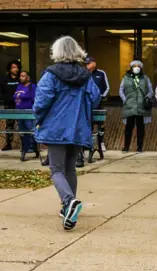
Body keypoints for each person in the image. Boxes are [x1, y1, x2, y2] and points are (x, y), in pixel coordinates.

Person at [33, 36, 101, 231]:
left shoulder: (51, 74)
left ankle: (69, 201)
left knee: (56, 169)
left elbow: (41, 102)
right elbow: (95, 98)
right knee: (70, 169)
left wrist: (38, 119)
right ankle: (68, 209)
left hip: (56, 128)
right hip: (78, 127)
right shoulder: (85, 75)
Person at [119, 60, 152, 153]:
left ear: (141, 68)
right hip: (129, 106)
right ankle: (126, 147)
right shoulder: (125, 78)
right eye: (134, 66)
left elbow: (150, 91)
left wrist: (147, 98)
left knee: (140, 128)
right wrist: (124, 99)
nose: (136, 68)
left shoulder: (145, 78)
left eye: (138, 66)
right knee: (128, 128)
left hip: (141, 106)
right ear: (131, 67)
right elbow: (121, 90)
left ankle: (140, 147)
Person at [13, 71, 39, 161]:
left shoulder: (32, 87)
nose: (21, 78)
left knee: (30, 130)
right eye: (20, 76)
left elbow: (34, 98)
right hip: (19, 112)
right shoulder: (19, 86)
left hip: (29, 112)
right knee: (22, 131)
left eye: (23, 76)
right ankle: (24, 147)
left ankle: (33, 148)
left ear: (28, 77)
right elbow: (15, 96)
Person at [1, 60, 22, 151]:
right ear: (10, 69)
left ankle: (25, 144)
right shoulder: (5, 79)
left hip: (20, 105)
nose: (15, 69)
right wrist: (7, 97)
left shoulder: (21, 78)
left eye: (17, 67)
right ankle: (8, 143)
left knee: (22, 124)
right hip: (9, 104)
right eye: (13, 67)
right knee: (9, 124)